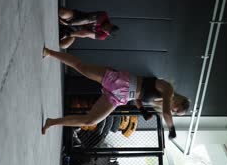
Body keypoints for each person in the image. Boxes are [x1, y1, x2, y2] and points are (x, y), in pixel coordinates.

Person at [41, 47, 190, 140]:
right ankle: (50, 52)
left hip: (122, 97)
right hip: (121, 82)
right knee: (82, 67)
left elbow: (139, 97)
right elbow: (165, 113)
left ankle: (52, 122)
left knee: (90, 121)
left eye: (174, 111)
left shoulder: (160, 101)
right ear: (179, 101)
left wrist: (143, 110)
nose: (172, 110)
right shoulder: (168, 89)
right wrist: (171, 129)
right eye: (176, 109)